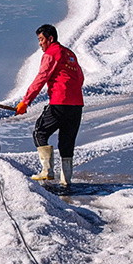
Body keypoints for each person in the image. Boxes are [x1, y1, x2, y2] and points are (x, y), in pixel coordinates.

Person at [16, 24, 84, 187]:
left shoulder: (51, 53)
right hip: (76, 105)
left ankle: (47, 171)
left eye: (41, 40)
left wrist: (26, 101)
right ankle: (66, 181)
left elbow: (42, 77)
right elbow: (80, 78)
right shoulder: (70, 54)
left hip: (59, 103)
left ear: (50, 39)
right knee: (67, 143)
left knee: (40, 132)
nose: (40, 43)